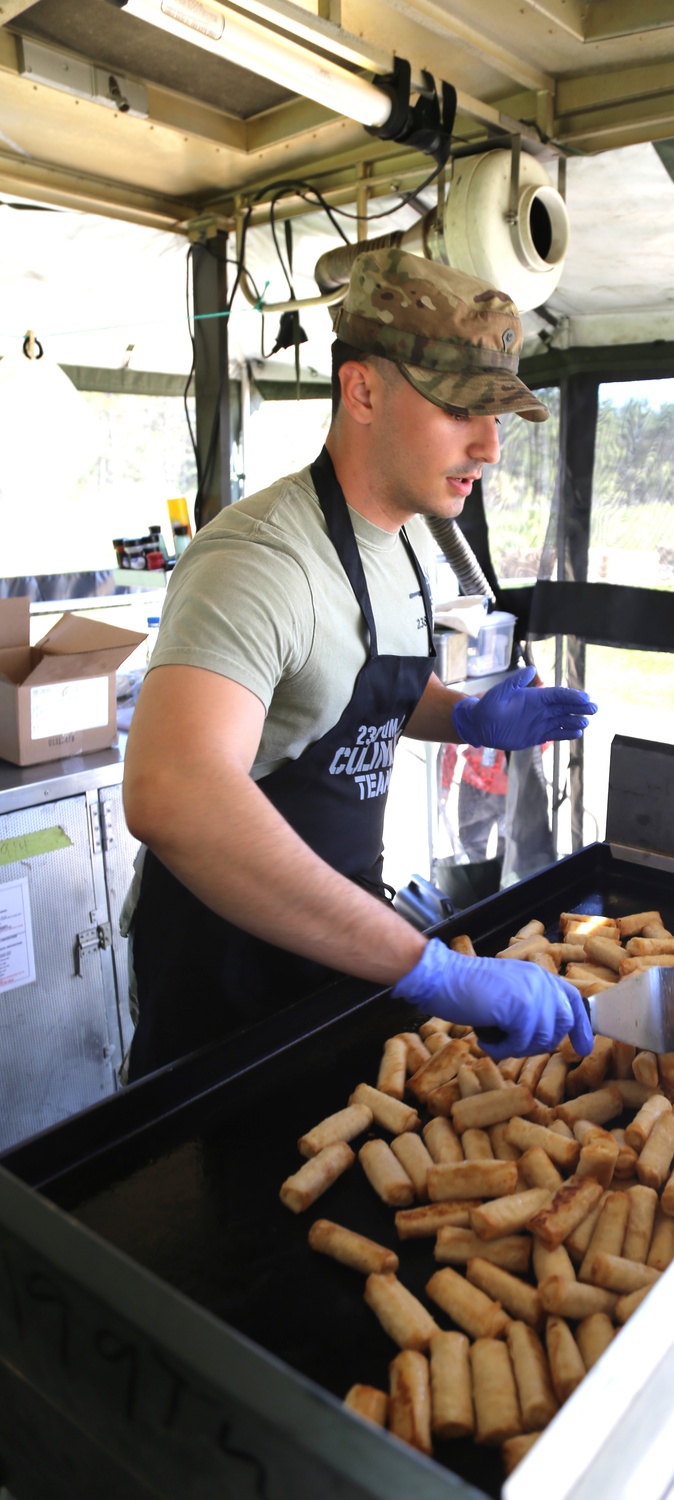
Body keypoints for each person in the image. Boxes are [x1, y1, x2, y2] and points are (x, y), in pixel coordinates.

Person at [122, 248, 597, 1079]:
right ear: (363, 390)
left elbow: (361, 682)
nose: (489, 446)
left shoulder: (410, 536)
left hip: (341, 938)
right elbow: (173, 793)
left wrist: (461, 717)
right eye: (461, 410)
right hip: (225, 975)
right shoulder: (261, 559)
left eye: (498, 416)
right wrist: (433, 968)